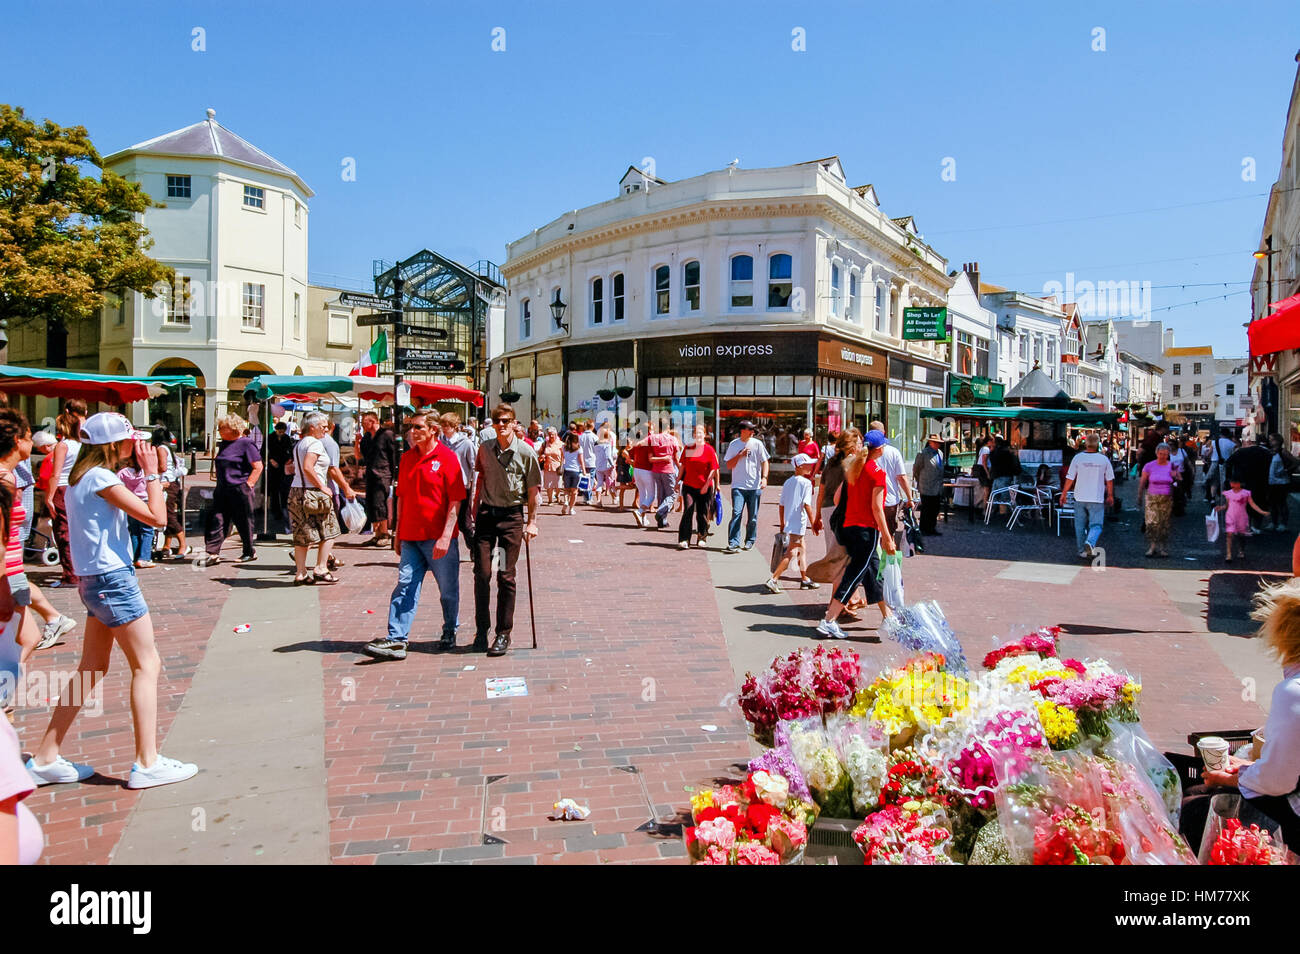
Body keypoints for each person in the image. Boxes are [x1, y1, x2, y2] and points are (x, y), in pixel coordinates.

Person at [26, 412, 198, 790]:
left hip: (93, 580)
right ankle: (147, 762)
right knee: (146, 664)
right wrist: (152, 472)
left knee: (91, 667)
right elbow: (155, 518)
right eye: (130, 440)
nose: (136, 446)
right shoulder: (102, 478)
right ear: (114, 444)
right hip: (112, 580)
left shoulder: (80, 478)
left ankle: (45, 757)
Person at [1178, 577, 1300, 855]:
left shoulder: (1293, 691)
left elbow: (1278, 781)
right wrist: (1245, 768)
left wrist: (1233, 776)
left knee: (1197, 805)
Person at [361, 413, 466, 661]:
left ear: (433, 430)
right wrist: (397, 532)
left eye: (418, 427)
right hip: (410, 536)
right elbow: (402, 497)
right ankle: (397, 639)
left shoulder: (447, 458)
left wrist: (445, 536)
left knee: (447, 590)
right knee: (405, 584)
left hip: (438, 537)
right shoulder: (407, 459)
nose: (412, 431)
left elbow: (456, 500)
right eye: (411, 427)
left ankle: (450, 629)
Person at [0, 410, 76, 659]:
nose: (32, 443)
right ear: (17, 442)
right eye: (29, 437)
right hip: (5, 576)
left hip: (11, 573)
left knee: (28, 639)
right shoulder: (4, 480)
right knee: (17, 644)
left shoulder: (9, 477)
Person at [472, 403, 541, 657]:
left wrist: (532, 522)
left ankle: (503, 633)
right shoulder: (485, 449)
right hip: (487, 515)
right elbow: (480, 478)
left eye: (506, 421)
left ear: (514, 423)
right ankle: (481, 631)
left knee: (505, 575)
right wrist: (473, 508)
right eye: (497, 421)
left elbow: (534, 492)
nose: (501, 425)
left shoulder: (526, 453)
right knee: (482, 573)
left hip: (511, 517)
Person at [816, 429, 897, 638]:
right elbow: (877, 508)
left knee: (872, 571)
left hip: (849, 527)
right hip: (866, 530)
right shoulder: (877, 473)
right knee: (855, 574)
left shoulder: (853, 468)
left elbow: (836, 499)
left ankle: (888, 617)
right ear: (879, 449)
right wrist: (887, 538)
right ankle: (829, 619)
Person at [289, 411, 356, 585]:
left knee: (302, 533)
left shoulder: (299, 444)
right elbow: (308, 467)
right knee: (330, 530)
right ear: (312, 428)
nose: (326, 430)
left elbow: (296, 468)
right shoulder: (315, 444)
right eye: (323, 427)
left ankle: (301, 572)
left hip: (296, 491)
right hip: (313, 493)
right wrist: (322, 486)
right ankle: (321, 567)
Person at [201, 413, 262, 567]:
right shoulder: (224, 443)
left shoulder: (246, 443)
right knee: (217, 519)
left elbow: (258, 466)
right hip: (223, 488)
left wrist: (249, 484)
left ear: (233, 428)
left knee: (243, 521)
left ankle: (249, 551)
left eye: (222, 428)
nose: (219, 430)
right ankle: (212, 552)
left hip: (240, 487)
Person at [766, 454, 820, 592]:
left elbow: (781, 504)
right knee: (791, 553)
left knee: (802, 550)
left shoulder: (788, 482)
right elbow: (807, 504)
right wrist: (814, 522)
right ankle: (774, 579)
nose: (811, 466)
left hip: (791, 523)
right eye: (808, 464)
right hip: (798, 523)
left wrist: (782, 523)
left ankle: (805, 579)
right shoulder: (806, 483)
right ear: (800, 466)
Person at [48, 399, 87, 585]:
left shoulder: (62, 446)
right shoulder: (80, 445)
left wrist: (49, 496)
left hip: (62, 488)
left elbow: (55, 474)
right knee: (75, 529)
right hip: (76, 487)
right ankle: (76, 570)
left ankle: (70, 573)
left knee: (63, 532)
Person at [1059, 433, 1115, 560]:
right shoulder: (1104, 460)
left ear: (1086, 443)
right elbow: (1110, 479)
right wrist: (1110, 495)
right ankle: (1090, 541)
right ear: (1097, 443)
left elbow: (1070, 477)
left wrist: (1064, 493)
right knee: (1096, 524)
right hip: (1096, 497)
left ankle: (1081, 551)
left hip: (1079, 496)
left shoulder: (1078, 458)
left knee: (1079, 525)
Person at [723, 420, 770, 553]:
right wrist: (740, 455)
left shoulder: (758, 444)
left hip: (754, 487)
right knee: (737, 513)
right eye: (750, 430)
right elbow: (729, 465)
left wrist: (764, 478)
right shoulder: (734, 444)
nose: (753, 432)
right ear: (743, 431)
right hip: (738, 486)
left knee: (753, 516)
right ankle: (733, 542)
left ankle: (750, 540)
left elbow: (765, 461)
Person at [356, 411, 397, 546]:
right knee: (371, 503)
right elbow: (359, 457)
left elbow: (393, 456)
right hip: (370, 473)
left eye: (364, 422)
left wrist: (394, 475)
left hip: (383, 474)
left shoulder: (386, 435)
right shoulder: (367, 437)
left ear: (373, 421)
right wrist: (357, 442)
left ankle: (385, 533)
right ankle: (377, 533)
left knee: (380, 503)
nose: (362, 425)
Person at [677, 423, 719, 549]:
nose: (698, 435)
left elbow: (713, 469)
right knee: (688, 511)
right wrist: (677, 480)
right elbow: (683, 466)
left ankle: (702, 536)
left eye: (701, 433)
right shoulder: (688, 448)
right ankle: (684, 539)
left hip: (704, 487)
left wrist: (707, 485)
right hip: (689, 485)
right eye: (696, 433)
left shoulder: (709, 450)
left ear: (705, 435)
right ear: (694, 435)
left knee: (702, 513)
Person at [870, 421, 914, 540]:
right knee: (889, 534)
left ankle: (876, 555)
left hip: (870, 500)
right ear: (884, 432)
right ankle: (887, 556)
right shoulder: (893, 452)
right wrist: (909, 498)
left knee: (871, 534)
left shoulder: (864, 453)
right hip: (889, 500)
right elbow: (902, 478)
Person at [439, 412, 477, 544]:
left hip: (462, 487)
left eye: (447, 425)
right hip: (443, 486)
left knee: (464, 523)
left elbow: (474, 466)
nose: (444, 428)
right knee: (444, 520)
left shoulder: (466, 444)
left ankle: (474, 548)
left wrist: (473, 487)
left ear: (454, 426)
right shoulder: (440, 443)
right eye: (442, 425)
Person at [117, 443, 158, 569]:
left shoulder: (123, 472)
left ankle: (134, 557)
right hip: (145, 502)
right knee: (147, 531)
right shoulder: (145, 472)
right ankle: (144, 557)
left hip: (131, 503)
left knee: (134, 531)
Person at [153, 428, 191, 561]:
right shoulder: (167, 448)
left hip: (167, 484)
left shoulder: (161, 449)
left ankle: (183, 544)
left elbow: (162, 467)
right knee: (168, 514)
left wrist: (150, 469)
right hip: (172, 483)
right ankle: (167, 545)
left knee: (168, 515)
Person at [1139, 442, 1180, 558]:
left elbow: (1179, 480)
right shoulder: (1149, 466)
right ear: (1156, 453)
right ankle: (1152, 546)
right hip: (1152, 497)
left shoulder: (1171, 465)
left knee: (1164, 523)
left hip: (1166, 498)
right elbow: (1142, 481)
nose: (1163, 456)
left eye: (1165, 454)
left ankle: (1162, 547)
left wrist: (1175, 476)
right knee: (1151, 522)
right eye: (1161, 454)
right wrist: (1139, 495)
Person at [1218, 475, 1270, 563]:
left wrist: (1262, 512)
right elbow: (1227, 505)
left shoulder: (1246, 493)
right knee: (1229, 535)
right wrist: (1221, 507)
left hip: (1242, 517)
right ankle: (1229, 554)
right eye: (1232, 483)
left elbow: (1252, 504)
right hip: (1230, 516)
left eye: (1235, 483)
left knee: (1241, 536)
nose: (1233, 484)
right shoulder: (1228, 493)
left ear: (1240, 484)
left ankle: (1241, 550)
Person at [1228, 437, 1273, 535]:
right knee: (1259, 502)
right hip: (1261, 481)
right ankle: (1256, 526)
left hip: (1243, 482)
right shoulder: (1266, 453)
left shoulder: (1240, 452)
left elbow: (1228, 463)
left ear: (1247, 442)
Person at [645, 420, 678, 529]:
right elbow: (676, 458)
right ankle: (660, 512)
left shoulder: (652, 438)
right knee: (671, 495)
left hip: (656, 470)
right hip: (668, 470)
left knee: (661, 495)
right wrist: (681, 468)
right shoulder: (673, 439)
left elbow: (650, 458)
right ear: (667, 426)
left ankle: (662, 521)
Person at [912, 433, 946, 537]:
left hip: (937, 486)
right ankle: (924, 528)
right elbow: (916, 469)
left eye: (939, 443)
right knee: (926, 508)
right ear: (930, 442)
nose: (937, 445)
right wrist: (920, 481)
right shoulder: (923, 453)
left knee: (935, 508)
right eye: (935, 442)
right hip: (926, 485)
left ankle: (932, 528)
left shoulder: (940, 453)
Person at [267, 421, 293, 521]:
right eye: (279, 432)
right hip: (273, 467)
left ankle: (284, 511)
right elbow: (264, 451)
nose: (281, 434)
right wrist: (270, 460)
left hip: (283, 466)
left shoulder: (286, 438)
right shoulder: (270, 437)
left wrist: (290, 459)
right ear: (276, 430)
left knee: (283, 490)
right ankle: (275, 511)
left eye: (283, 432)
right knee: (274, 490)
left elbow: (290, 450)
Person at [1269, 434, 1293, 532]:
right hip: (1272, 481)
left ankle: (1283, 524)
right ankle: (1273, 522)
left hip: (1282, 482)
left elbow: (1295, 462)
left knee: (1281, 503)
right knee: (1272, 503)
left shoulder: (1283, 452)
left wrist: (1286, 470)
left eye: (1272, 440)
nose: (1270, 441)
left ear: (1278, 441)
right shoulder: (1271, 452)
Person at [630, 432, 655, 527]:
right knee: (652, 495)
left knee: (642, 494)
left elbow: (629, 455)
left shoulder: (637, 445)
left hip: (637, 470)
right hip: (646, 470)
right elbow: (651, 459)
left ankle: (643, 519)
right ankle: (640, 512)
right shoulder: (648, 445)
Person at [989, 437, 1020, 515]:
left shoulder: (995, 452)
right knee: (1003, 497)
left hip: (997, 476)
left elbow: (992, 461)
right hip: (1005, 475)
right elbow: (1015, 465)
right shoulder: (1008, 453)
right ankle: (1002, 513)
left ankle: (994, 513)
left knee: (995, 496)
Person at [560, 432, 586, 516]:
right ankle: (571, 509)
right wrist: (584, 471)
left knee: (566, 490)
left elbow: (562, 458)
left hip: (567, 470)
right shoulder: (579, 448)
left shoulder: (564, 447)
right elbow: (581, 461)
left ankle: (566, 501)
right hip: (576, 471)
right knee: (574, 491)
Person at [594, 425, 618, 508]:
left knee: (599, 483)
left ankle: (598, 501)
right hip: (607, 466)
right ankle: (614, 498)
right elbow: (608, 456)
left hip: (598, 465)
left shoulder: (596, 443)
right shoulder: (607, 444)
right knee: (610, 482)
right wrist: (612, 465)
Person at [540, 427, 563, 506]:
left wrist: (563, 464)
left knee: (558, 485)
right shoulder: (545, 443)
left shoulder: (561, 444)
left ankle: (558, 497)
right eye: (549, 435)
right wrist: (542, 456)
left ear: (556, 434)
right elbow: (540, 453)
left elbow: (564, 456)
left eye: (552, 435)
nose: (551, 436)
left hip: (558, 467)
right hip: (548, 466)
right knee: (549, 485)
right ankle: (550, 500)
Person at [578, 422, 598, 504]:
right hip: (592, 461)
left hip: (582, 460)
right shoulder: (595, 437)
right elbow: (597, 449)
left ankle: (586, 497)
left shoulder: (580, 437)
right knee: (591, 479)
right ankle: (589, 497)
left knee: (584, 478)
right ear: (592, 427)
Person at [974, 434, 995, 508]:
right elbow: (984, 462)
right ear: (989, 441)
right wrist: (987, 473)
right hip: (983, 469)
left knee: (986, 490)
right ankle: (985, 508)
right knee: (987, 490)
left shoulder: (983, 448)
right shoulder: (986, 449)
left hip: (982, 469)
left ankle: (985, 507)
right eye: (992, 441)